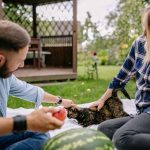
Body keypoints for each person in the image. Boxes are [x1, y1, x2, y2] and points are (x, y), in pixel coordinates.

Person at [0, 20, 75, 150]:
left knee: (40, 135)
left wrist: (60, 101)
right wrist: (26, 121)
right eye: (20, 61)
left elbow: (30, 91)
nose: (22, 66)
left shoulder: (5, 77)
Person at [90, 5, 150, 150]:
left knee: (122, 138)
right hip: (141, 112)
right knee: (104, 129)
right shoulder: (139, 44)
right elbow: (121, 76)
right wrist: (102, 100)